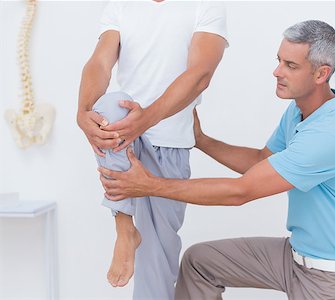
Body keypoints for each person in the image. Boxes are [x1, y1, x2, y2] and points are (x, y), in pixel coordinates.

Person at [98, 20, 335, 300]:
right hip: (295, 258)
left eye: (291, 66)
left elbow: (241, 191)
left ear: (321, 74)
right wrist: (202, 140)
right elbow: (261, 159)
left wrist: (148, 185)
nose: (277, 71)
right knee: (200, 263)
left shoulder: (330, 134)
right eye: (279, 61)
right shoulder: (299, 111)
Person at [76, 1, 228, 299]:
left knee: (156, 269)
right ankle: (125, 226)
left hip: (169, 143)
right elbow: (99, 63)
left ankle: (134, 240)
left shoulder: (205, 6)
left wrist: (144, 120)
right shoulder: (120, 6)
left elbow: (200, 74)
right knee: (108, 105)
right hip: (123, 138)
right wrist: (82, 113)